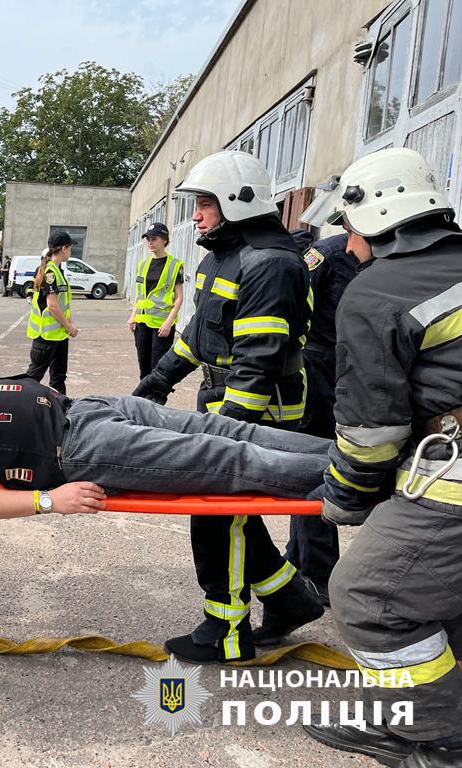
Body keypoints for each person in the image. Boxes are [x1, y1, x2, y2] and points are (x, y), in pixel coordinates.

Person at [298, 148, 462, 768]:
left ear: (377, 218)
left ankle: (441, 736)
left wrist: (344, 498)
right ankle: (417, 707)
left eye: (347, 226)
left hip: (453, 476)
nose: (346, 240)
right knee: (445, 598)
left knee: (371, 597)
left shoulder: (379, 291)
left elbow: (371, 428)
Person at [132, 150, 322, 663]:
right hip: (222, 398)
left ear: (238, 201)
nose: (195, 215)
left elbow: (259, 359)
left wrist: (227, 431)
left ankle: (226, 633)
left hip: (261, 407)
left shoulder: (271, 263)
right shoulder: (224, 254)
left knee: (219, 514)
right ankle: (290, 598)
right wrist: (153, 385)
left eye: (205, 203)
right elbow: (198, 335)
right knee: (230, 511)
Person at [0, 375, 330, 518]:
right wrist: (49, 501)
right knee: (227, 460)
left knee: (224, 430)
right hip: (77, 447)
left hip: (84, 408)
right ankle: (360, 479)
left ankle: (346, 456)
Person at [281, 226, 356, 607]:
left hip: (349, 371)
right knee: (318, 466)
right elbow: (292, 304)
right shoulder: (327, 254)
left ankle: (303, 561)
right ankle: (316, 570)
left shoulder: (382, 252)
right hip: (318, 371)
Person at [127, 222, 184, 378]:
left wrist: (169, 322)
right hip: (142, 323)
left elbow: (179, 298)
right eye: (148, 239)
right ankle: (142, 401)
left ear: (164, 240)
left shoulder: (175, 265)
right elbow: (140, 295)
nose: (150, 243)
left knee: (158, 369)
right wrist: (133, 316)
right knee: (143, 368)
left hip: (162, 326)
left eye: (154, 239)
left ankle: (155, 401)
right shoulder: (143, 264)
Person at [25, 231, 79, 394]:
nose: (70, 252)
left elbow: (63, 305)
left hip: (58, 335)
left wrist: (68, 325)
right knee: (34, 376)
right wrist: (70, 327)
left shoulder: (57, 271)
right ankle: (18, 407)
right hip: (46, 336)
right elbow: (52, 306)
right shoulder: (50, 272)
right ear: (64, 248)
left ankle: (59, 410)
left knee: (58, 376)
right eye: (70, 248)